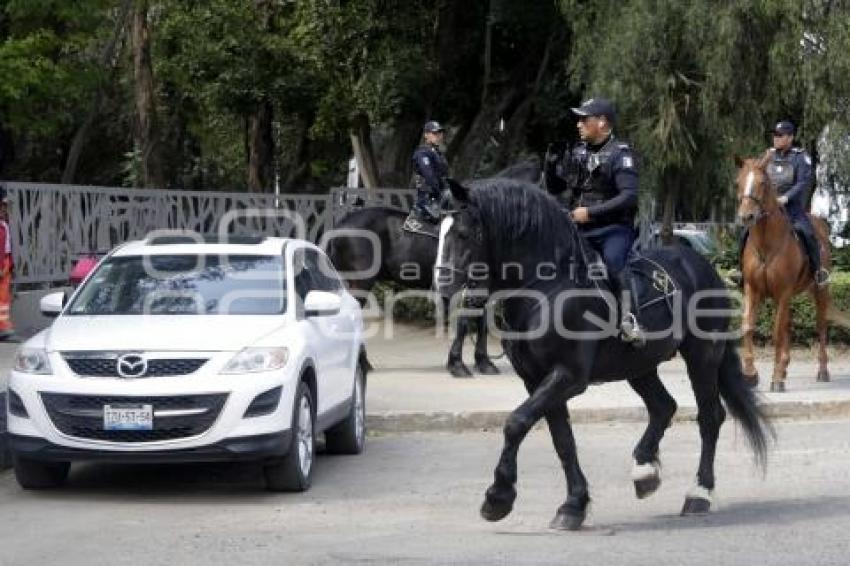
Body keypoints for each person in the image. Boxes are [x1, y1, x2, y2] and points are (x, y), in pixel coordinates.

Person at [546, 97, 644, 346]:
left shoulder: (621, 154)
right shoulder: (577, 153)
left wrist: (590, 213)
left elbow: (629, 196)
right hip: (579, 228)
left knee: (613, 264)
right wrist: (550, 165)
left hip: (613, 229)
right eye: (578, 119)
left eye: (584, 119)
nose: (578, 124)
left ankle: (629, 319)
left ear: (602, 123)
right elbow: (557, 188)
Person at [738, 120, 828, 287]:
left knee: (807, 233)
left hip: (792, 209)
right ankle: (740, 271)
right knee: (745, 232)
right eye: (775, 135)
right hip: (768, 209)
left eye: (780, 135)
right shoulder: (767, 157)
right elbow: (757, 177)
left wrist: (786, 197)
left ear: (790, 137)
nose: (776, 138)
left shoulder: (801, 157)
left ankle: (817, 272)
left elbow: (803, 182)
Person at [411, 121, 449, 223]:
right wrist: (441, 193)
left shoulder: (437, 153)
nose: (438, 136)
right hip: (427, 199)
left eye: (440, 133)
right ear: (426, 135)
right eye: (434, 133)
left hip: (440, 198)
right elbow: (429, 176)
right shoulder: (422, 153)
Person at [0, 189, 15, 341]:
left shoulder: (4, 224)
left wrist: (9, 264)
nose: (5, 209)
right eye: (3, 206)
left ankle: (4, 329)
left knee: (3, 298)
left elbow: (7, 248)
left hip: (5, 263)